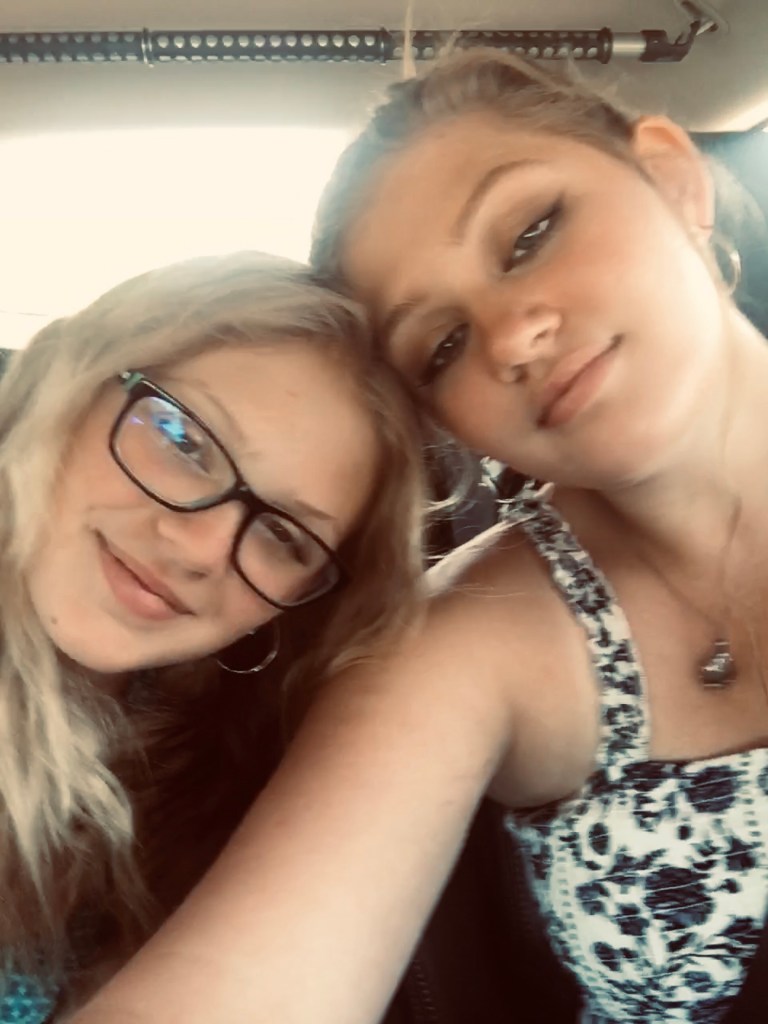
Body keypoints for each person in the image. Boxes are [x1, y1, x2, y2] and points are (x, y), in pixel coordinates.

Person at [68, 49, 768, 1024]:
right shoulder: (471, 637)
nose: (511, 337)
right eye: (441, 346)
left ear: (672, 177)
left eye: (529, 233)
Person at [0, 250, 426, 1021]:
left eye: (285, 535)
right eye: (182, 438)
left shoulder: (216, 790)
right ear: (74, 381)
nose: (201, 549)